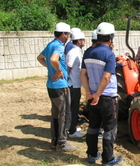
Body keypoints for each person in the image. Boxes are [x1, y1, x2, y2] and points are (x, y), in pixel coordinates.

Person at [80, 22, 123, 165]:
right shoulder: (109, 54)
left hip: (92, 96)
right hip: (107, 97)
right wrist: (98, 94)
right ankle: (108, 158)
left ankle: (92, 155)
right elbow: (106, 77)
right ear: (110, 38)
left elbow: (83, 74)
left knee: (93, 126)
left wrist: (89, 92)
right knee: (110, 128)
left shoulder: (88, 52)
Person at [37, 22, 76, 152]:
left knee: (55, 114)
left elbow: (40, 58)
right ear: (63, 34)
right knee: (63, 114)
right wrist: (58, 71)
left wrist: (51, 69)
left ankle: (54, 142)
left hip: (51, 85)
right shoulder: (59, 46)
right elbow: (54, 59)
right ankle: (62, 143)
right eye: (68, 34)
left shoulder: (50, 45)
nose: (68, 37)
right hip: (60, 86)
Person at [66, 30, 86, 138]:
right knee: (72, 108)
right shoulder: (74, 52)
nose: (84, 41)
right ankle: (72, 131)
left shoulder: (77, 51)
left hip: (76, 84)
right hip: (72, 85)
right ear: (79, 41)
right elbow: (68, 68)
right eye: (83, 39)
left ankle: (71, 127)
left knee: (74, 108)